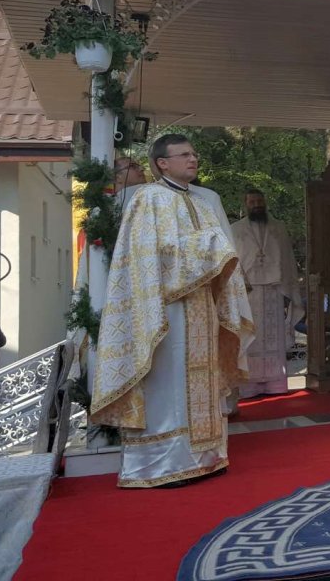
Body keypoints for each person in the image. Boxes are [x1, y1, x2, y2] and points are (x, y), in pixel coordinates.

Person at [90, 133, 253, 488]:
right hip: (166, 311)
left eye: (194, 154)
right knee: (170, 380)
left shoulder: (204, 202)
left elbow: (216, 249)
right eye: (184, 155)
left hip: (202, 306)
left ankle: (207, 456)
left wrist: (216, 255)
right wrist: (208, 249)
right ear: (162, 163)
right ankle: (163, 464)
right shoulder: (149, 199)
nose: (192, 160)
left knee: (202, 378)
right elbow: (150, 257)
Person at [229, 189, 302, 399]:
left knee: (273, 337)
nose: (256, 204)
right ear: (246, 204)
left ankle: (275, 383)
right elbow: (232, 260)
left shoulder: (279, 228)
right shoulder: (235, 230)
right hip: (247, 291)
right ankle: (249, 386)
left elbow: (287, 258)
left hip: (273, 290)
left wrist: (289, 289)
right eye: (252, 201)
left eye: (260, 200)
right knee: (250, 337)